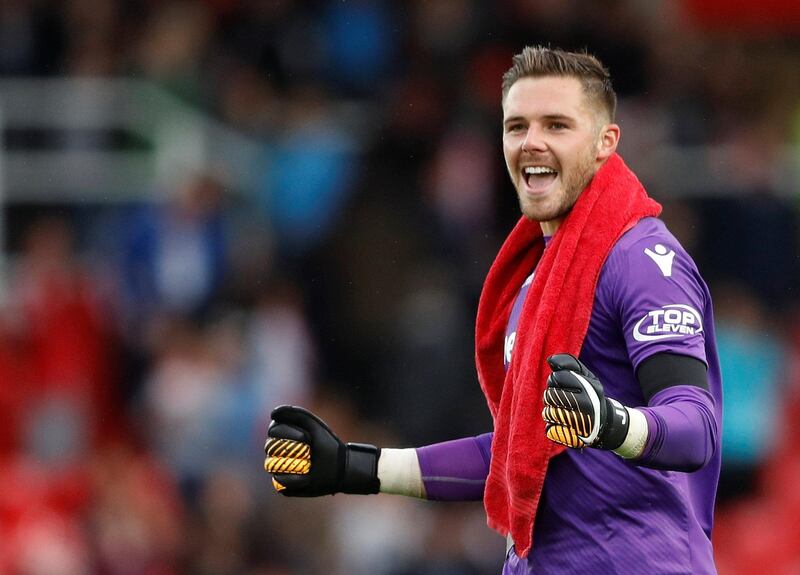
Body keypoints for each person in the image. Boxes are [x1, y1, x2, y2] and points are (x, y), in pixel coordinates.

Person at [263, 46, 722, 574]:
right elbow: (510, 453)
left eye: (557, 125)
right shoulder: (539, 280)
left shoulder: (639, 259)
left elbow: (696, 426)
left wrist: (612, 423)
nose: (532, 143)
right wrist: (354, 466)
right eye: (517, 126)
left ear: (604, 143)